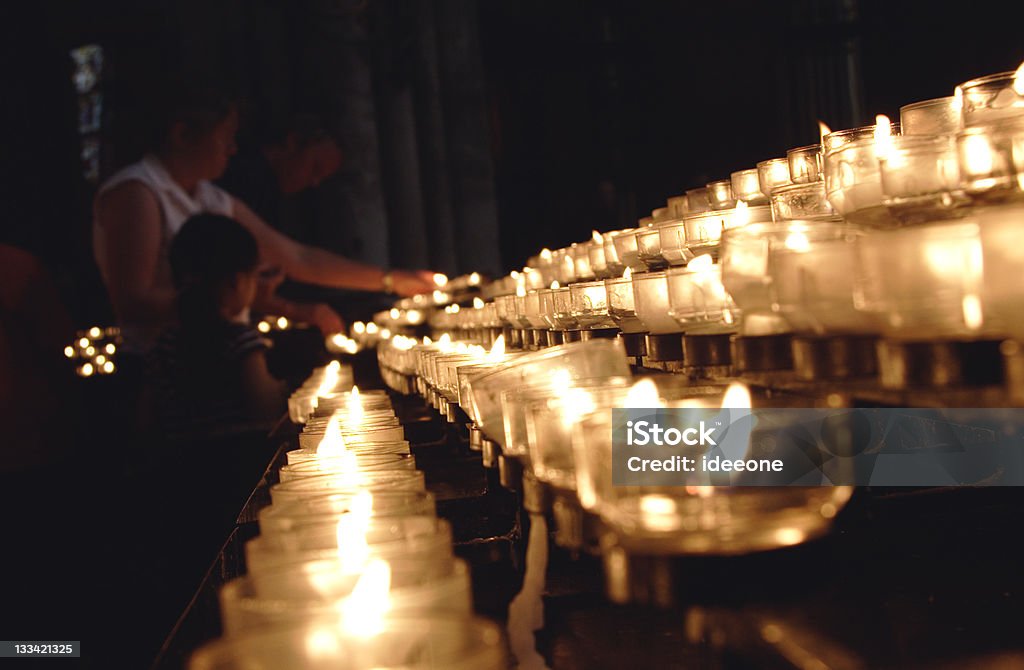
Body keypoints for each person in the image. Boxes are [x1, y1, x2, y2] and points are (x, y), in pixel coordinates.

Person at [93, 84, 435, 357]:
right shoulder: (138, 191)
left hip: (218, 355)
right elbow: (133, 302)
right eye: (225, 138)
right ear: (182, 134)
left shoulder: (210, 197)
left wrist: (391, 280)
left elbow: (297, 257)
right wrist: (238, 297)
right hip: (166, 370)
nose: (232, 150)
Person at [147, 214, 285, 438]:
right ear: (237, 282)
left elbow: (147, 418)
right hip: (237, 460)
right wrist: (278, 390)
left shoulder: (163, 345)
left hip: (176, 464)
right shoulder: (242, 342)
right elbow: (265, 412)